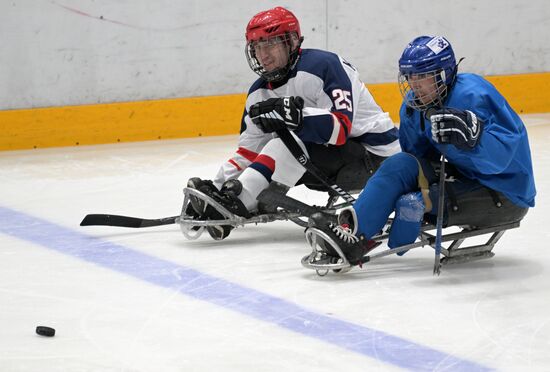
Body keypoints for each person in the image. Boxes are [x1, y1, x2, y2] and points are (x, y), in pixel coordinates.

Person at [308, 35, 536, 266]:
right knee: (400, 165)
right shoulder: (414, 105)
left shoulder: (475, 95)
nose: (414, 84)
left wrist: (476, 140)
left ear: (444, 74)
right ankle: (354, 232)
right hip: (464, 178)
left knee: (413, 203)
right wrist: (391, 193)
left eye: (423, 75)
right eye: (410, 76)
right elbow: (415, 162)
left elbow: (505, 158)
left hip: (505, 192)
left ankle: (361, 235)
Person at [186, 6, 400, 240]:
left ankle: (235, 204)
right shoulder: (258, 94)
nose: (262, 55)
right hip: (327, 164)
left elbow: (340, 129)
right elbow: (248, 153)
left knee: (285, 142)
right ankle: (228, 202)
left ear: (292, 41)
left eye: (269, 44)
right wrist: (214, 190)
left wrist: (294, 115)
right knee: (282, 145)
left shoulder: (325, 66)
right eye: (256, 47)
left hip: (378, 160)